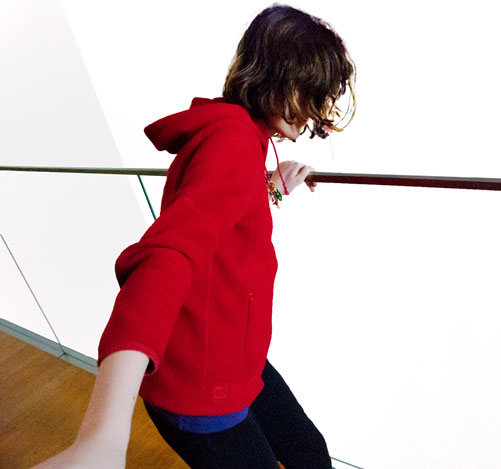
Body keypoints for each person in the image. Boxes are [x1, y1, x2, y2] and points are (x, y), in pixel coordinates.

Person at [34, 4, 356, 468]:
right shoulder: (232, 142)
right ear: (273, 74)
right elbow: (167, 257)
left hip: (237, 357)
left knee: (310, 453)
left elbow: (220, 219)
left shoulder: (240, 132)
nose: (313, 108)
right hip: (203, 388)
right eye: (307, 87)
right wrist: (102, 434)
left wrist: (269, 188)